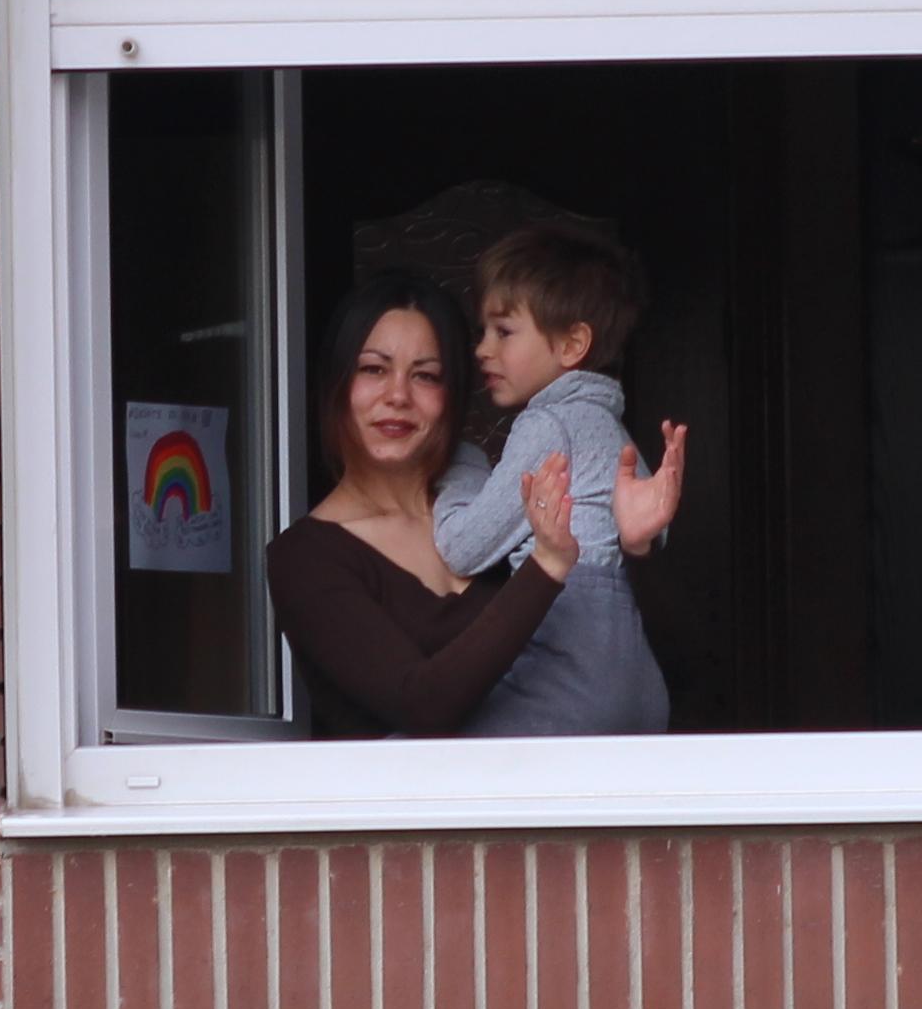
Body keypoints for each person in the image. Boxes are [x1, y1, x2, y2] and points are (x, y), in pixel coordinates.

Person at [264, 276, 681, 738]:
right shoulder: (306, 557)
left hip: (587, 790)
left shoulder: (498, 507)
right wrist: (545, 567)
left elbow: (622, 664)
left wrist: (634, 543)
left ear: (453, 394)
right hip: (426, 808)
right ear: (337, 385)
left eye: (425, 375)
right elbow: (423, 705)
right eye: (374, 370)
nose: (397, 396)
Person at [430, 219, 672, 737]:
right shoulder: (611, 427)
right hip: (635, 683)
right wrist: (640, 542)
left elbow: (463, 547)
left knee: (418, 755)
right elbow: (646, 526)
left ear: (571, 345)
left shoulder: (547, 423)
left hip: (568, 672)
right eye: (481, 332)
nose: (481, 350)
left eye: (504, 331)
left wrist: (458, 461)